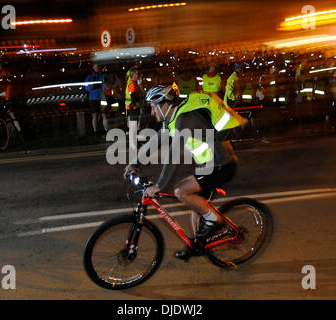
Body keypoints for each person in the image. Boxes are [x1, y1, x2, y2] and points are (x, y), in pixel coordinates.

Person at [123, 84, 246, 260]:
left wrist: (159, 185)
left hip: (221, 165)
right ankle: (198, 246)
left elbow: (173, 155)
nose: (152, 112)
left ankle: (215, 221)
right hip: (209, 165)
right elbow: (156, 140)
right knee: (196, 209)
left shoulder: (183, 120)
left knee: (181, 191)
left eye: (153, 106)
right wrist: (135, 163)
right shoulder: (174, 119)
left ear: (165, 105)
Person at [125, 66, 144, 150]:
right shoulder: (132, 83)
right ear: (132, 74)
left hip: (133, 107)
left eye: (138, 73)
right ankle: (133, 145)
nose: (138, 75)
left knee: (134, 126)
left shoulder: (134, 82)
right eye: (136, 74)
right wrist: (137, 101)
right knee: (133, 127)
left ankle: (134, 144)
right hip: (132, 108)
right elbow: (133, 96)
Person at [85, 64, 106, 133]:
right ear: (93, 67)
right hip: (93, 98)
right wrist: (93, 86)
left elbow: (106, 85)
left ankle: (106, 130)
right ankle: (95, 131)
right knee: (95, 115)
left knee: (104, 114)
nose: (97, 68)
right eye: (95, 66)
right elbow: (87, 87)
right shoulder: (90, 77)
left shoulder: (103, 75)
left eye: (98, 66)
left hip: (102, 97)